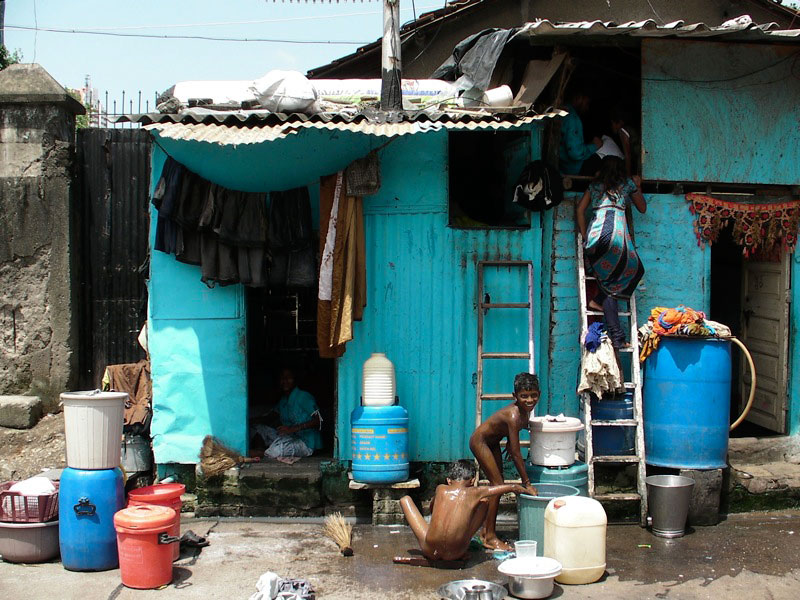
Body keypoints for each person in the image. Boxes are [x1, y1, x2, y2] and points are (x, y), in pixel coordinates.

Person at [576, 156, 647, 348]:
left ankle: (598, 302)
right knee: (635, 272)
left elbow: (580, 210)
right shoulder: (627, 184)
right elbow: (642, 208)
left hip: (595, 239)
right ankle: (616, 336)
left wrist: (585, 237)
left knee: (608, 284)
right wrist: (637, 185)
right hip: (615, 239)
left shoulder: (595, 186)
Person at [399, 460, 531, 563]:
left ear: (449, 480)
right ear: (473, 480)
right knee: (484, 502)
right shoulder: (476, 492)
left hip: (429, 550)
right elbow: (508, 488)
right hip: (455, 553)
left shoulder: (441, 489)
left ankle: (443, 540)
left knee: (405, 500)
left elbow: (433, 508)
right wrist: (523, 487)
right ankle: (464, 541)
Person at [469, 372, 540, 551]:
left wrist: (509, 440)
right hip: (481, 442)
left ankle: (486, 532)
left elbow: (510, 433)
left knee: (497, 485)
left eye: (534, 395)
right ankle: (490, 536)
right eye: (524, 396)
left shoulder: (525, 413)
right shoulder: (514, 415)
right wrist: (527, 482)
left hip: (492, 442)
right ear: (515, 397)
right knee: (498, 485)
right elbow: (516, 454)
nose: (530, 400)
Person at [252, 367, 323, 456]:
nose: (285, 381)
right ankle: (261, 450)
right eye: (282, 378)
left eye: (288, 377)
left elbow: (318, 421)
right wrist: (250, 421)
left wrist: (293, 428)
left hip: (306, 443)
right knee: (259, 428)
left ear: (295, 380)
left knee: (278, 450)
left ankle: (261, 453)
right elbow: (271, 417)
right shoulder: (283, 400)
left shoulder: (303, 397)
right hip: (289, 437)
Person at [559, 88, 602, 176]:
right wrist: (594, 146)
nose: (587, 108)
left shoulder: (561, 112)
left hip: (562, 166)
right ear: (578, 98)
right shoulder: (572, 118)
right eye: (587, 103)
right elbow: (576, 153)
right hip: (573, 169)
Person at [610, 108, 640, 176]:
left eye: (612, 123)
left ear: (619, 122)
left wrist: (627, 175)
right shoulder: (631, 129)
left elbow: (627, 155)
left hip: (641, 160)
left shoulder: (623, 130)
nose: (612, 127)